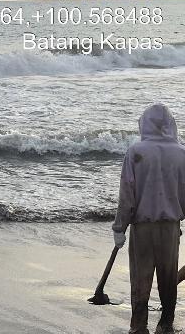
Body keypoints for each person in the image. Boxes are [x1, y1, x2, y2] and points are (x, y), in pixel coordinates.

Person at [112, 104, 185, 334]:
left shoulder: (136, 151)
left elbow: (127, 195)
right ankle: (165, 323)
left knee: (141, 279)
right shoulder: (181, 153)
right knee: (168, 277)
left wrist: (119, 228)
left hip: (142, 229)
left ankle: (138, 325)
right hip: (170, 228)